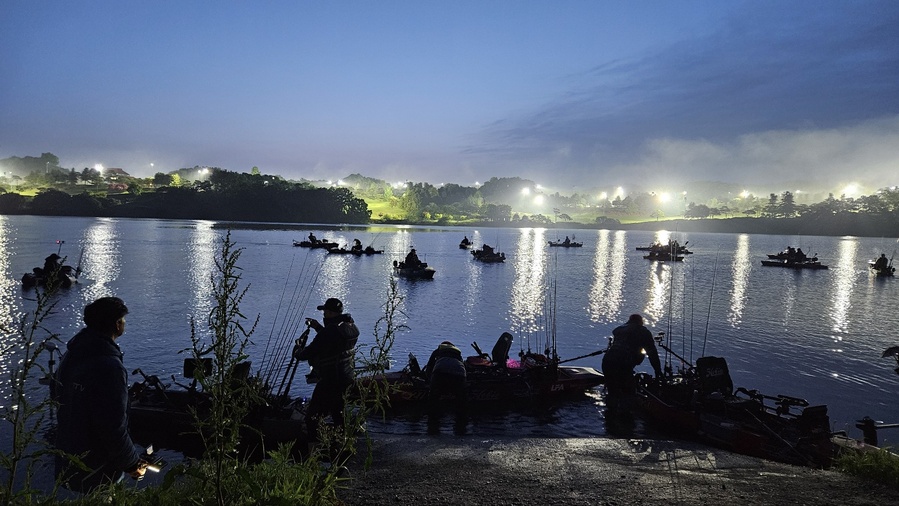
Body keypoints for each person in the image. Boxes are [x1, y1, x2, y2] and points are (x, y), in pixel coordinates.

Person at [54, 297, 148, 493]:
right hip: (98, 470)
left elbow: (59, 394)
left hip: (67, 461)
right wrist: (132, 464)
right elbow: (113, 427)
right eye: (123, 320)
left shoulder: (71, 355)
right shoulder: (110, 367)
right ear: (117, 325)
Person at [295, 298, 359, 445]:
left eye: (325, 311)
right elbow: (334, 341)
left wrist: (297, 350)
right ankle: (341, 444)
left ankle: (314, 447)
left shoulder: (330, 332)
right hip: (347, 377)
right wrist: (318, 327)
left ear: (330, 312)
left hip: (331, 380)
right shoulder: (350, 327)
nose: (323, 314)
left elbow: (307, 354)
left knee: (313, 416)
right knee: (338, 413)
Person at [601, 314, 663, 415]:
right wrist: (658, 371)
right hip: (623, 363)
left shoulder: (619, 330)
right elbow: (652, 354)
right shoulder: (644, 332)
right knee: (628, 394)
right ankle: (626, 422)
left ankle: (610, 419)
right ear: (641, 322)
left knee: (612, 392)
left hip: (607, 361)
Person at [424, 341, 467, 434]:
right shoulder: (458, 354)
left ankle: (433, 428)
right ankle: (461, 430)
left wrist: (430, 382)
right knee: (461, 400)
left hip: (440, 372)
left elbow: (429, 367)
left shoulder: (437, 351)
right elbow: (464, 368)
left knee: (433, 399)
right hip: (459, 374)